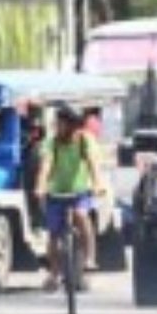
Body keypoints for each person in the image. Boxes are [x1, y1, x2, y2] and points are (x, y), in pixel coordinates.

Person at [34, 104, 108, 293]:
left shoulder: (85, 141)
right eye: (56, 123)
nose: (57, 127)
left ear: (73, 125)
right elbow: (45, 166)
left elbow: (93, 164)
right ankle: (54, 273)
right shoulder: (51, 143)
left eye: (61, 123)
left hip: (80, 193)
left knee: (81, 215)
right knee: (53, 235)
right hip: (56, 194)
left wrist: (98, 184)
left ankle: (90, 258)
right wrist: (40, 186)